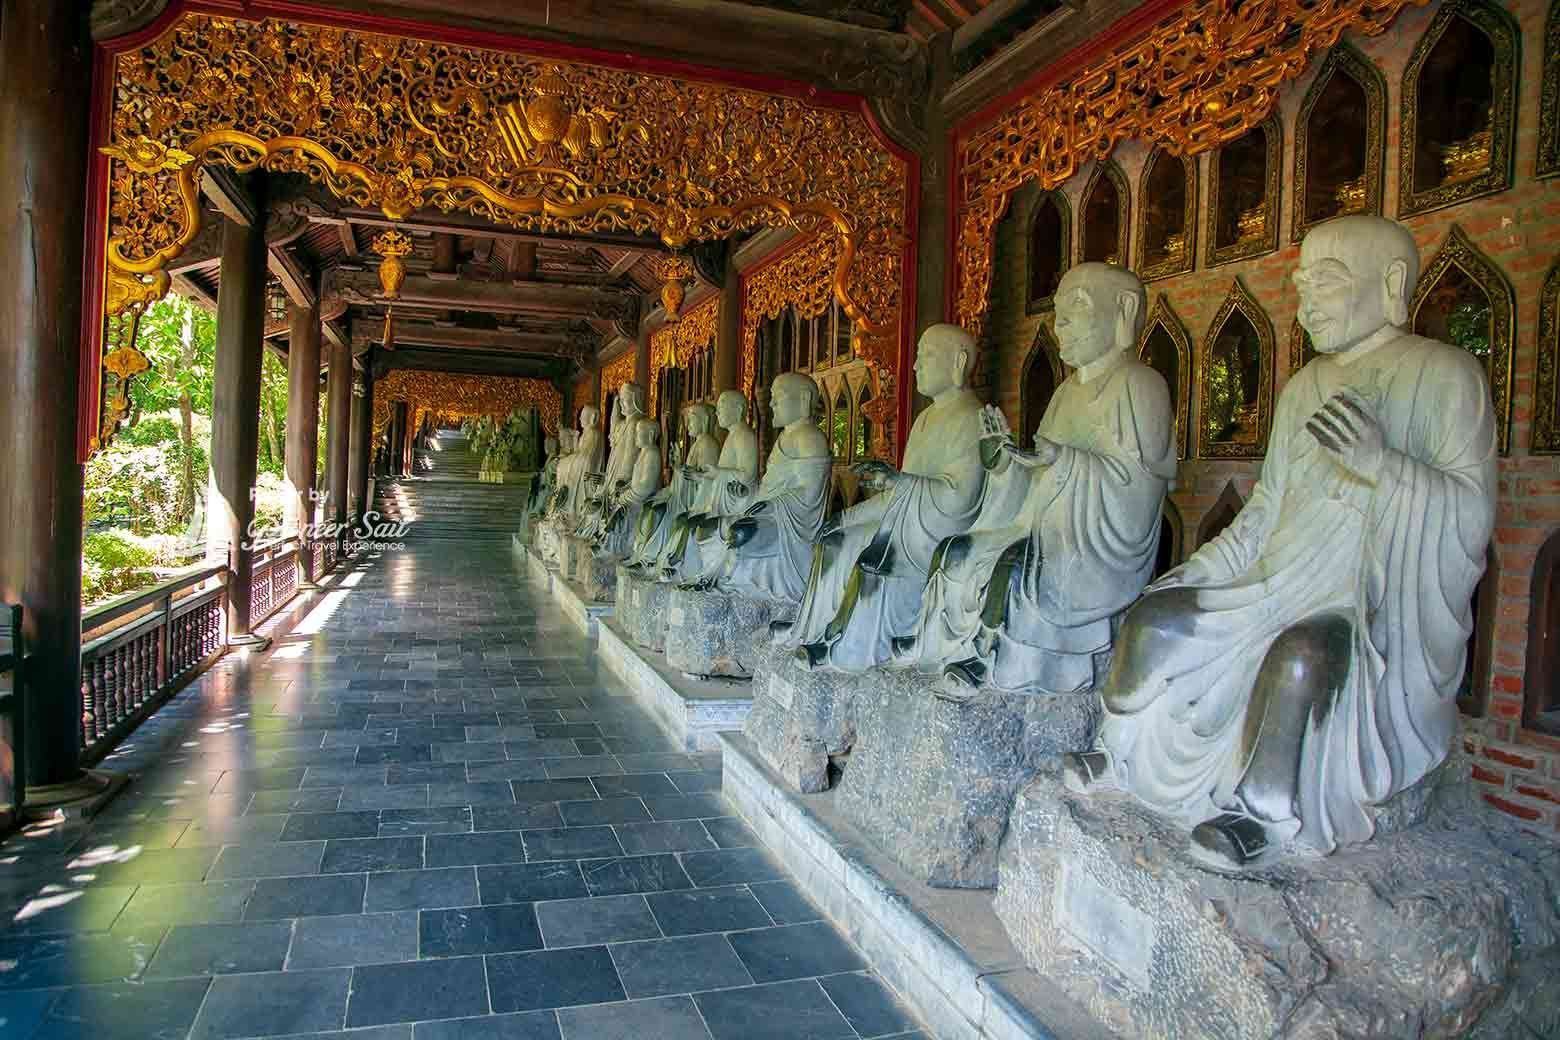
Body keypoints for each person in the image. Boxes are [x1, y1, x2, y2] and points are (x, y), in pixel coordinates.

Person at [1065, 216, 1497, 870]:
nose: (1306, 302)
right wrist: (1199, 569)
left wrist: (1382, 467)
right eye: (1300, 286)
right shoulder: (1303, 389)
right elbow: (1266, 511)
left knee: (1299, 659)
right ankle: (1120, 752)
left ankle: (1261, 812)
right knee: (1157, 619)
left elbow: (1470, 514)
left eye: (1326, 282)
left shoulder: (1446, 374)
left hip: (1365, 601)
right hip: (1275, 580)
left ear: (1391, 283)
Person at [895, 264, 1175, 697]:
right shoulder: (1065, 393)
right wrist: (1006, 461)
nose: (1060, 323)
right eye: (1059, 311)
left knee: (1017, 564)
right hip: (1041, 524)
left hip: (1090, 545)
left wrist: (1063, 460)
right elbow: (1036, 480)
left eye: (1076, 308)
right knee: (956, 549)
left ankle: (985, 657)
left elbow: (1137, 488)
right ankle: (931, 641)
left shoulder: (1141, 386)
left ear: (1123, 310)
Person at [774, 324, 986, 672]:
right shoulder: (924, 420)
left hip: (934, 532)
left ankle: (847, 649)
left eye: (925, 356)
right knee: (834, 541)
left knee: (872, 559)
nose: (916, 366)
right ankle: (812, 629)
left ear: (959, 362)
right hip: (908, 519)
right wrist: (845, 517)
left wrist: (901, 482)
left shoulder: (971, 417)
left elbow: (961, 499)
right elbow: (897, 495)